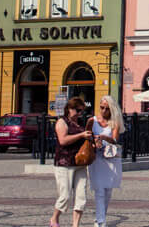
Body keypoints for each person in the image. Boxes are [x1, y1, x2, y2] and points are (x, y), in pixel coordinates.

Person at [51, 96, 93, 227]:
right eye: (77, 110)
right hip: (65, 163)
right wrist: (81, 135)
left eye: (82, 111)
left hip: (80, 163)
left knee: (81, 196)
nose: (80, 113)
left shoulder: (79, 123)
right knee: (65, 195)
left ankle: (75, 225)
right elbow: (63, 140)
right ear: (69, 109)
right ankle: (54, 219)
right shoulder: (62, 122)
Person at [89, 95, 123, 227]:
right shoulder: (92, 121)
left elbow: (115, 140)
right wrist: (94, 143)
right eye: (101, 107)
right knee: (99, 190)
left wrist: (103, 137)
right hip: (97, 158)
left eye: (106, 108)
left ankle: (101, 216)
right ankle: (100, 221)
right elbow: (87, 137)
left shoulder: (115, 122)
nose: (103, 111)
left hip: (110, 158)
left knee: (108, 190)